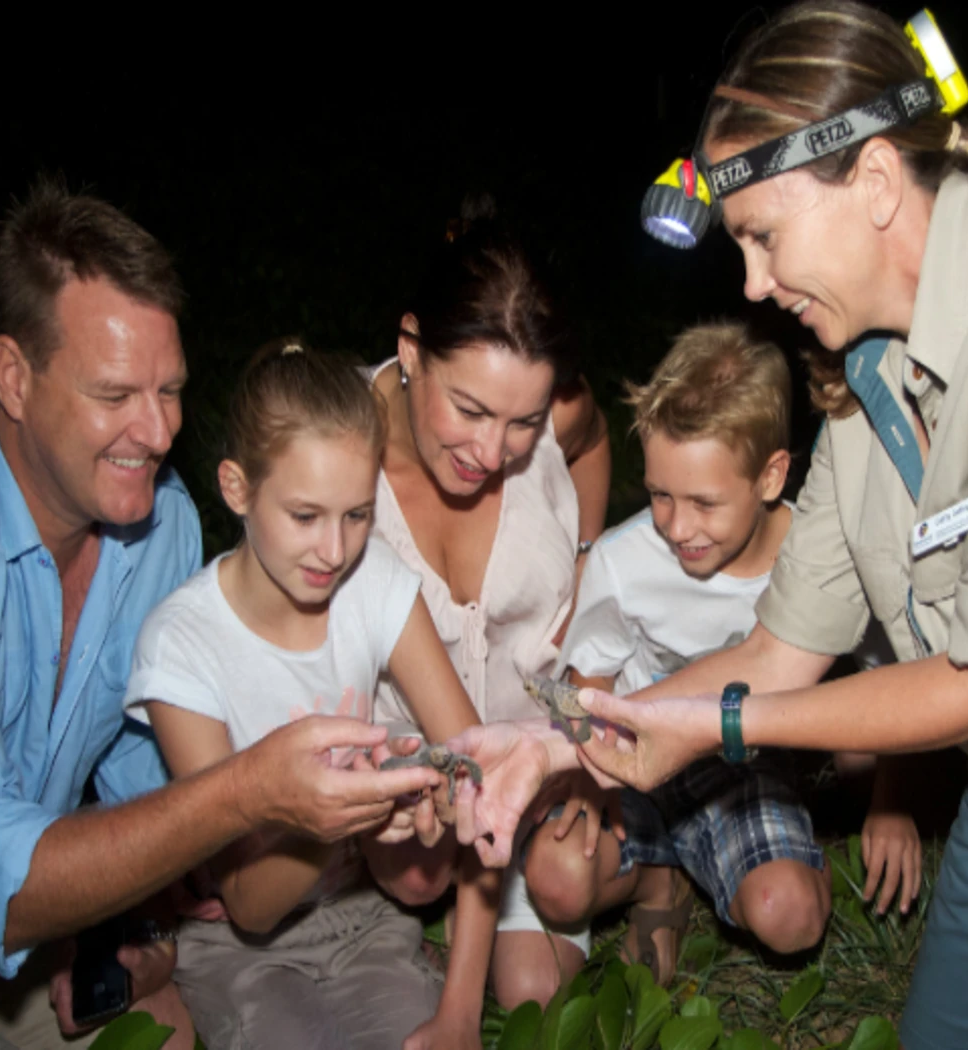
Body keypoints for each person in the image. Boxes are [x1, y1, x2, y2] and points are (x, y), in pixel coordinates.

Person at [453, 3, 968, 1047]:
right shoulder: (866, 379)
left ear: (874, 181)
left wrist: (715, 727)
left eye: (762, 237)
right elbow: (779, 649)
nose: (750, 282)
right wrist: (551, 738)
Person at [0, 182, 442, 1050]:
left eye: (170, 390)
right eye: (116, 393)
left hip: (42, 950)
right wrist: (247, 793)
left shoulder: (156, 522)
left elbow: (147, 793)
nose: (158, 429)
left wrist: (138, 932)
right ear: (15, 377)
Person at [520, 321, 920, 993]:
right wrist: (589, 779)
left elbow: (898, 687)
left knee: (787, 916)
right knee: (556, 879)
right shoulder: (625, 561)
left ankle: (776, 858)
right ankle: (658, 878)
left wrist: (892, 802)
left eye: (704, 502)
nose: (676, 527)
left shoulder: (823, 561)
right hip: (634, 757)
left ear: (771, 476)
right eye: (659, 494)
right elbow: (591, 678)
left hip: (743, 766)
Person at [123, 338, 495, 1050]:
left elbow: (478, 778)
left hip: (363, 920)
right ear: (236, 489)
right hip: (244, 949)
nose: (334, 550)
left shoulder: (375, 584)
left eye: (357, 515)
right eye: (305, 516)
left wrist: (460, 1014)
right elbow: (248, 906)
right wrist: (339, 807)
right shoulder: (181, 646)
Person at [366, 202, 612, 1009]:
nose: (490, 452)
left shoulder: (555, 422)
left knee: (538, 990)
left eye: (522, 422)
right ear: (411, 350)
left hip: (540, 738)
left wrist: (585, 570)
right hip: (426, 781)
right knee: (415, 870)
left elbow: (593, 433)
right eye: (469, 410)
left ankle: (653, 882)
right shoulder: (334, 458)